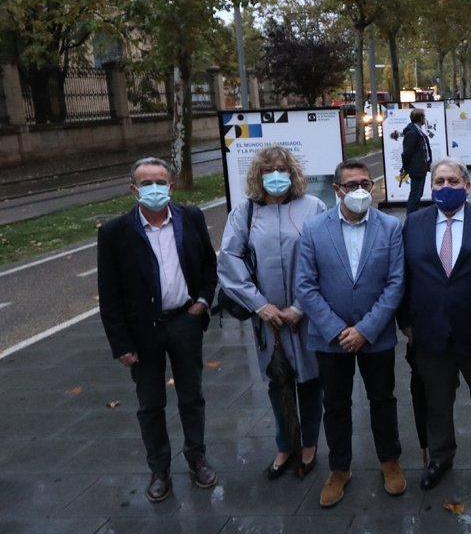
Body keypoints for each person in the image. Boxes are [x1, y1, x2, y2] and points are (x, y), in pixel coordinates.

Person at [97, 157, 218, 503]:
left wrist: (202, 303)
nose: (154, 188)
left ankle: (197, 458)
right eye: (146, 183)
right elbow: (110, 294)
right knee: (150, 404)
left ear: (171, 185)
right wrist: (121, 343)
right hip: (142, 332)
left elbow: (209, 267)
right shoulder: (114, 233)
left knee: (191, 397)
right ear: (134, 190)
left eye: (160, 181)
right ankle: (159, 469)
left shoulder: (190, 219)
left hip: (184, 322)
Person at [294, 158, 406, 508]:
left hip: (376, 336)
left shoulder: (390, 227)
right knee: (336, 404)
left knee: (383, 400)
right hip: (331, 339)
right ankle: (339, 468)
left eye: (365, 184)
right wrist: (339, 329)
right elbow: (304, 286)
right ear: (337, 190)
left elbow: (396, 282)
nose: (360, 190)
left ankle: (389, 461)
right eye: (352, 185)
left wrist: (366, 329)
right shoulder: (313, 230)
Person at [218, 146, 327, 481]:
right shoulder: (246, 212)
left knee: (310, 382)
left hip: (306, 316)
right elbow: (229, 259)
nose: (275, 175)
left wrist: (299, 307)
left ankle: (308, 446)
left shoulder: (314, 207)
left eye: (281, 168)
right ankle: (284, 446)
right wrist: (260, 305)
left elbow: (327, 257)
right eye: (268, 170)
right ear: (258, 175)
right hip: (267, 319)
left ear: (292, 171)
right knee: (277, 382)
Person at [400, 158, 471, 492]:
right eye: (439, 182)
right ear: (431, 187)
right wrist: (405, 321)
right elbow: (402, 276)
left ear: (467, 186)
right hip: (430, 332)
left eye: (453, 182)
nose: (446, 188)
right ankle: (440, 457)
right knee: (437, 401)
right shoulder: (413, 223)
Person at [402, 108, 433, 214]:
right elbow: (406, 153)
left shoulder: (418, 130)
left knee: (418, 194)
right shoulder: (412, 133)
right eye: (424, 116)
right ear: (420, 118)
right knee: (415, 194)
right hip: (416, 168)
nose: (425, 119)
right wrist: (406, 168)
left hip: (421, 167)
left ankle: (413, 214)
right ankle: (411, 217)